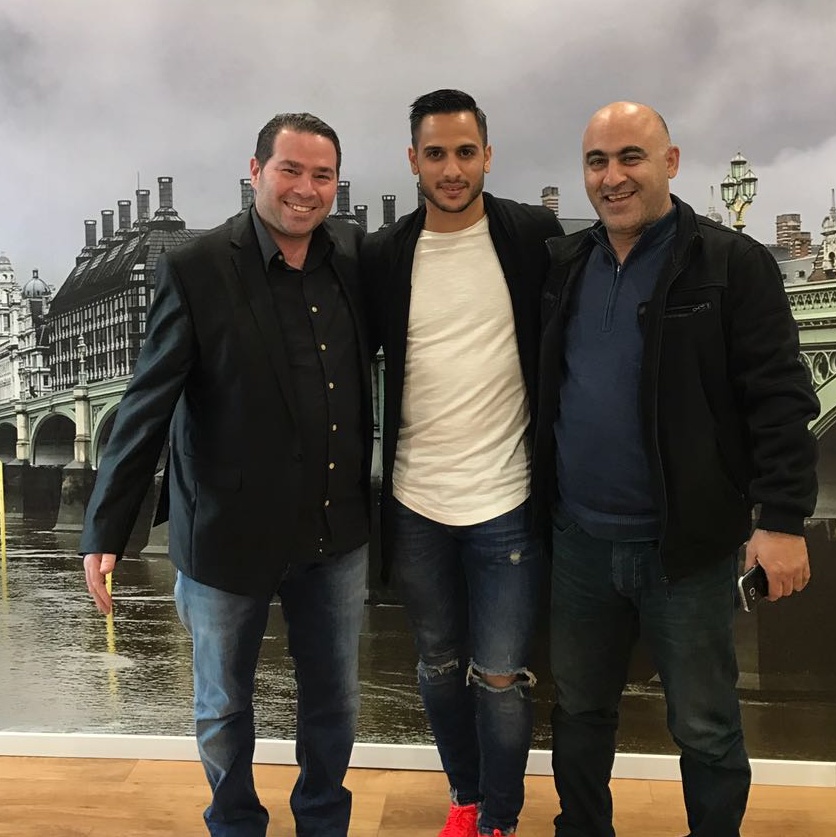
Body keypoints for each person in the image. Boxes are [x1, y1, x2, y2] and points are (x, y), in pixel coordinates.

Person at [81, 112, 373, 837]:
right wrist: (107, 529)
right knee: (221, 703)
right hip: (227, 528)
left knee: (334, 700)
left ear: (337, 183)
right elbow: (146, 404)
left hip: (333, 529)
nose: (305, 188)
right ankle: (236, 822)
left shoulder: (351, 254)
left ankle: (322, 821)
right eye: (290, 170)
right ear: (256, 171)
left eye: (322, 175)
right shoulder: (198, 267)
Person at [533, 101, 819, 836]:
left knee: (704, 724)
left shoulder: (730, 264)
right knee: (578, 711)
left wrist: (782, 518)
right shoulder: (565, 265)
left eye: (630, 156)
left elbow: (779, 396)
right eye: (597, 161)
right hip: (579, 542)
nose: (613, 176)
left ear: (671, 161)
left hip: (686, 548)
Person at [362, 89, 563, 837]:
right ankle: (466, 797)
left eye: (465, 152)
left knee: (502, 676)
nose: (452, 169)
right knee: (439, 665)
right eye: (436, 154)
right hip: (414, 500)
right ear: (413, 160)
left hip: (506, 497)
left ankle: (500, 821)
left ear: (488, 156)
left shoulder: (532, 236)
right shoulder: (384, 254)